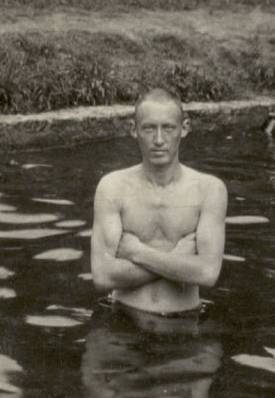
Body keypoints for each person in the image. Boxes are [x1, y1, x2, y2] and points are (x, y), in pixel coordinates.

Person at [91, 88, 227, 315]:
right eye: (149, 128)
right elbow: (102, 276)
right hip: (122, 320)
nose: (159, 140)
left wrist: (137, 252)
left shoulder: (209, 190)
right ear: (133, 129)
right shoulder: (112, 187)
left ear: (184, 128)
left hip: (184, 321)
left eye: (168, 128)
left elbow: (208, 273)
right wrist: (179, 260)